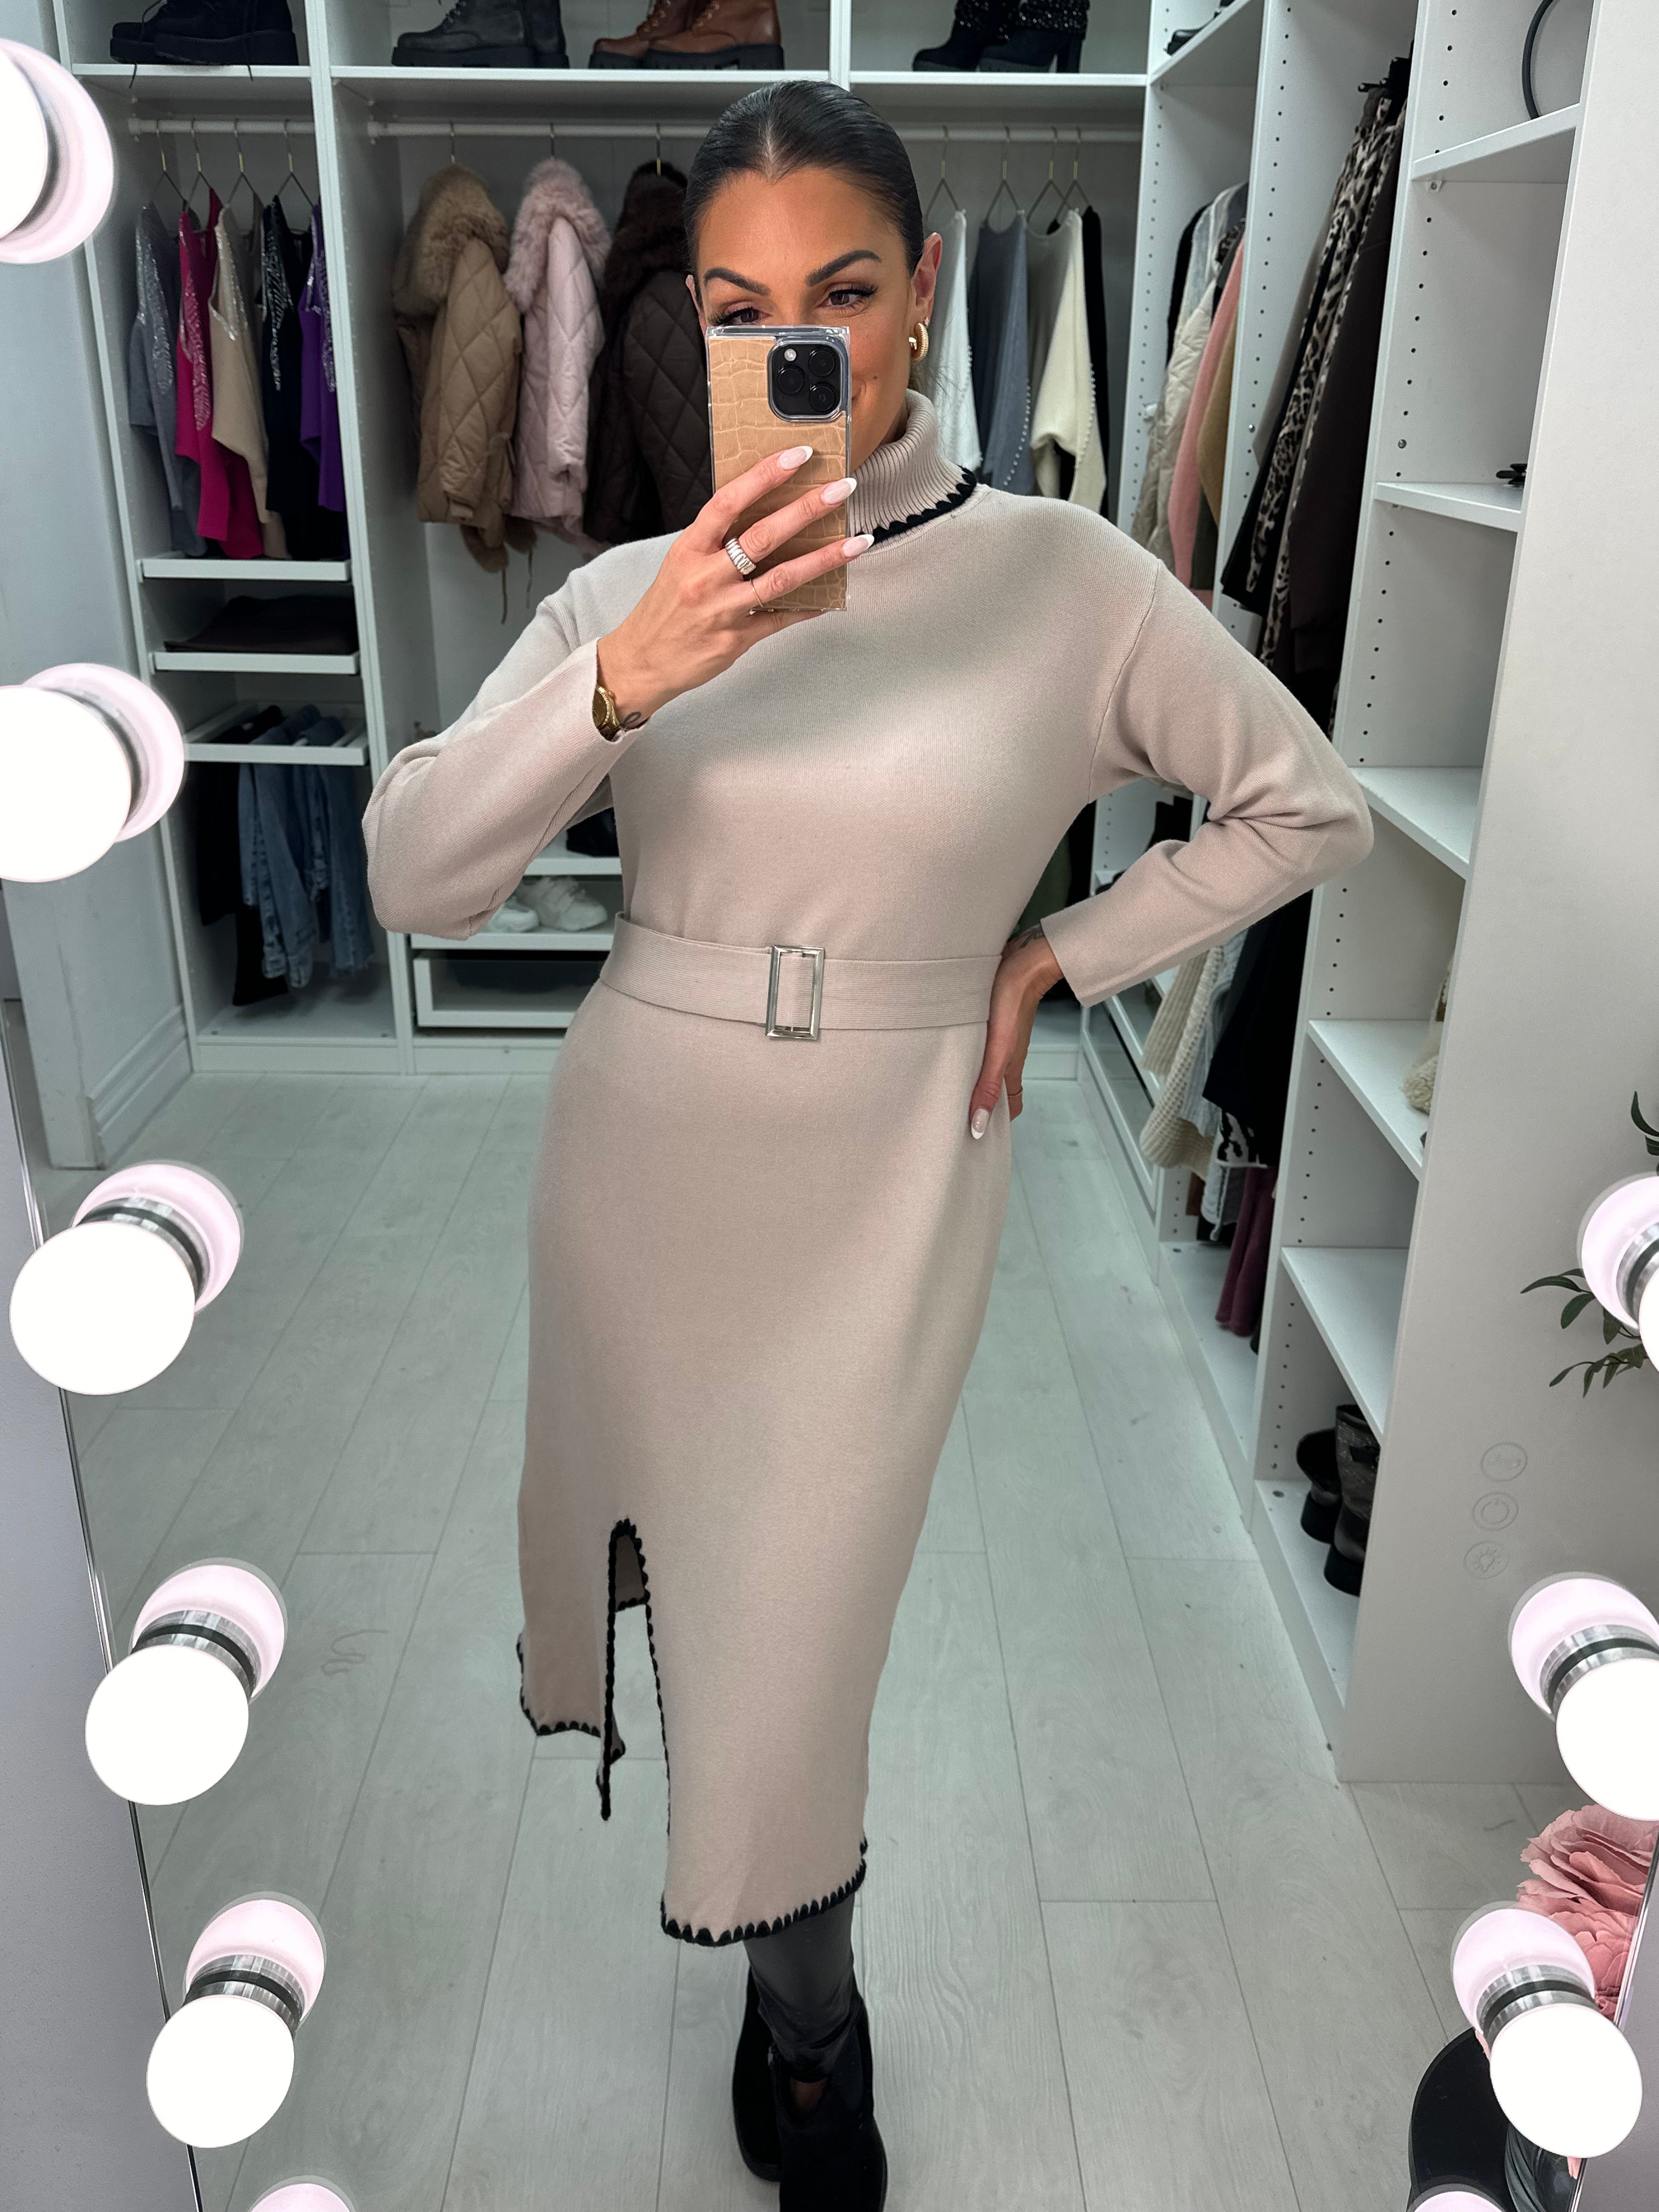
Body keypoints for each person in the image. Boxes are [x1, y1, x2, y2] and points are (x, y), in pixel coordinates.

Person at [363, 79, 1372, 2211]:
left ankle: (807, 2021)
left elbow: (1309, 804)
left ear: (921, 293)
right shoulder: (630, 590)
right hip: (642, 1159)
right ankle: (794, 1988)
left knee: (799, 1635)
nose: (795, 345)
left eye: (840, 294)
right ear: (696, 333)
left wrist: (1069, 952)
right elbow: (415, 874)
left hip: (896, 1179)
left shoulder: (1064, 581)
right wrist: (623, 679)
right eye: (741, 312)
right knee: (693, 1605)